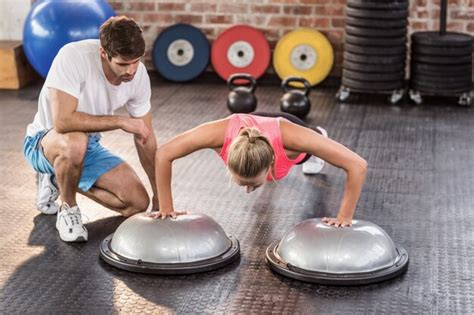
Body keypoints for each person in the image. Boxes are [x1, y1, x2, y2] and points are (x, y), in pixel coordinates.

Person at [23, 16, 158, 242]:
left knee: (137, 203)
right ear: (104, 53)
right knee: (75, 141)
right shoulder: (73, 57)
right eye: (124, 64)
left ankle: (57, 178)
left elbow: (146, 137)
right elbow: (63, 122)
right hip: (43, 142)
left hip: (88, 146)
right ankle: (68, 209)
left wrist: (159, 194)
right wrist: (120, 121)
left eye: (136, 61)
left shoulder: (138, 75)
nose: (132, 70)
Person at [152, 112, 367, 227]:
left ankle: (318, 132)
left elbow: (357, 165)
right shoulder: (217, 136)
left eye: (253, 184)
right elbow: (164, 154)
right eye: (241, 183)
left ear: (271, 163)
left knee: (310, 154)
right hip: (251, 133)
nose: (247, 191)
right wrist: (167, 208)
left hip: (289, 130)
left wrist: (344, 217)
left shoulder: (293, 141)